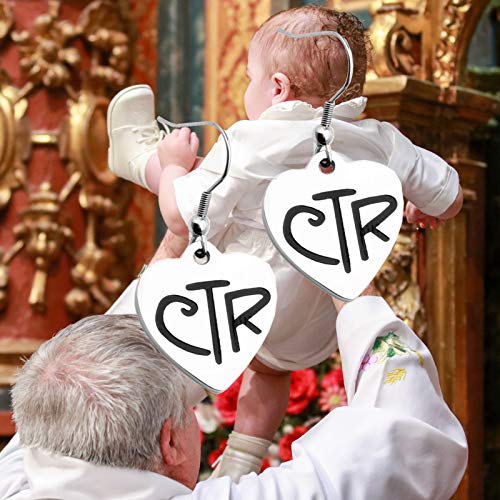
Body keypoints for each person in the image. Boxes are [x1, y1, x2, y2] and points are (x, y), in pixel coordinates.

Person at [106, 5, 465, 481]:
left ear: (277, 88)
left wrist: (173, 166)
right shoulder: (380, 140)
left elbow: (180, 216)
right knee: (271, 371)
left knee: (191, 174)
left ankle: (144, 160)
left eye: (249, 78)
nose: (247, 88)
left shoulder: (248, 142)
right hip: (309, 329)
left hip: (232, 307)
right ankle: (240, 462)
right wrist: (416, 201)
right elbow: (451, 195)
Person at [0, 250, 467, 499]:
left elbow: (91, 366)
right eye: (187, 408)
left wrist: (178, 241)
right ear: (169, 442)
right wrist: (347, 270)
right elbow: (408, 440)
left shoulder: (15, 483)